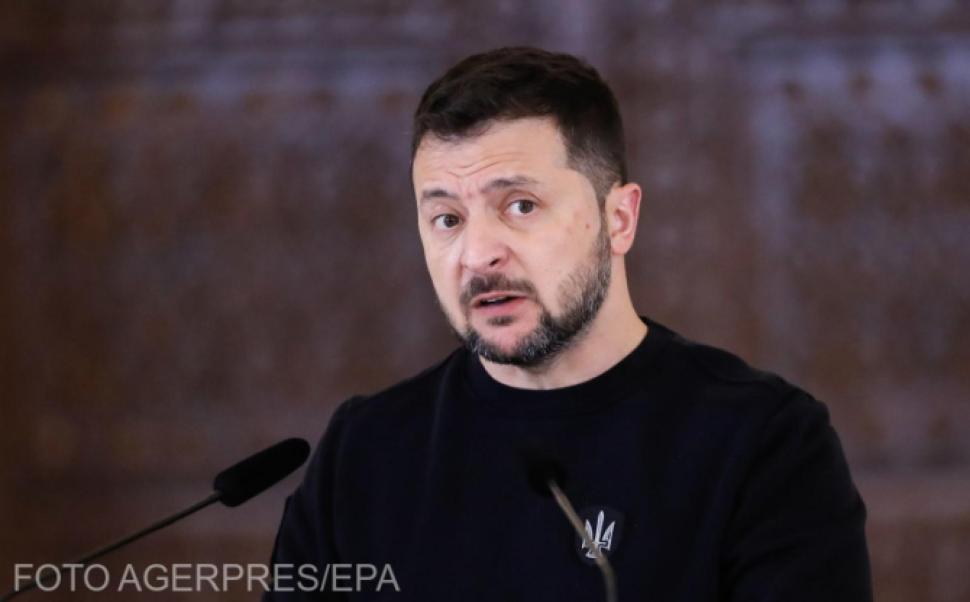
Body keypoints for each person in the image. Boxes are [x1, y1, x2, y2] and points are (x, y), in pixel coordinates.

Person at [264, 46, 872, 601]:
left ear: (619, 219)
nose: (478, 254)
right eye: (447, 219)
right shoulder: (364, 453)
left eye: (520, 206)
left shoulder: (764, 442)